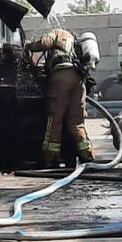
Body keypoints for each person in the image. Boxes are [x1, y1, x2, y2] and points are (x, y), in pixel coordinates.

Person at [26, 27, 94, 167]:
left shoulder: (59, 32)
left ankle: (50, 158)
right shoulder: (75, 42)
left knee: (55, 120)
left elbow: (44, 43)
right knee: (76, 121)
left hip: (62, 76)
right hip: (79, 80)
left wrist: (29, 45)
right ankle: (86, 153)